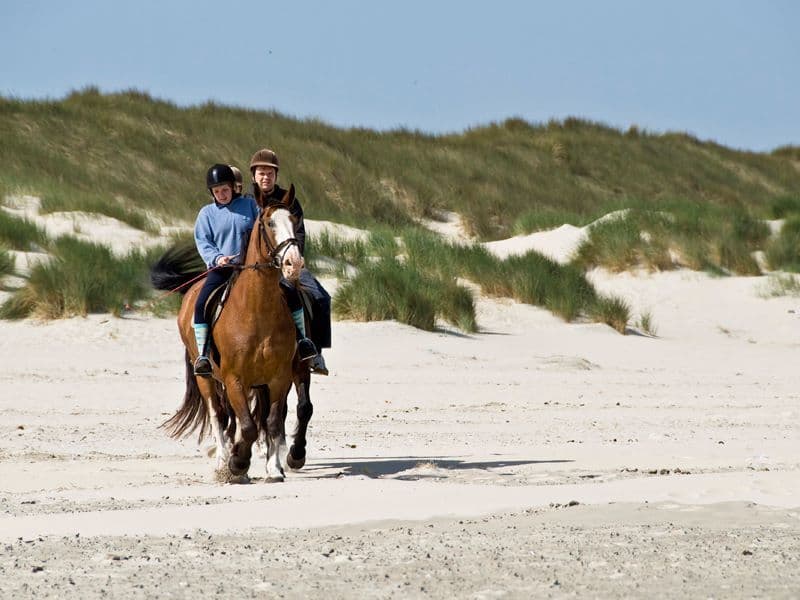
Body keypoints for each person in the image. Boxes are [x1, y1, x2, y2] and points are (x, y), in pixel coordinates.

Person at [192, 163, 317, 376]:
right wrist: (217, 258)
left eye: (225, 190)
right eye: (217, 191)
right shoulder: (206, 214)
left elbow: (265, 227)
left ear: (233, 187)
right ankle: (203, 355)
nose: (221, 194)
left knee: (290, 292)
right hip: (222, 269)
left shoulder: (249, 205)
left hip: (253, 268)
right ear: (211, 193)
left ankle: (303, 341)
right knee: (202, 302)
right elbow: (203, 242)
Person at [249, 148, 332, 375]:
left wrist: (295, 258)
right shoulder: (247, 202)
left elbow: (300, 233)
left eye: (270, 173)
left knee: (321, 298)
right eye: (261, 173)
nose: (265, 177)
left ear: (276, 175)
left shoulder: (289, 201)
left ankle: (316, 353)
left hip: (287, 261)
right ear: (254, 175)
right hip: (254, 266)